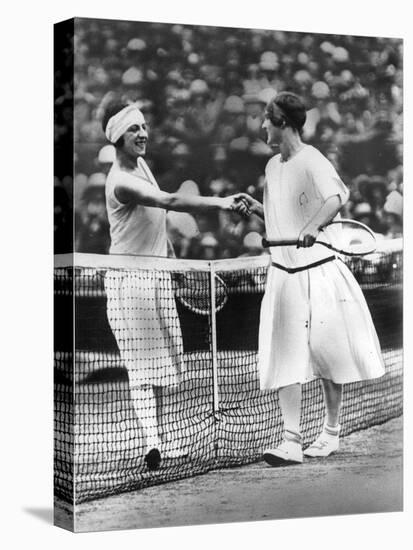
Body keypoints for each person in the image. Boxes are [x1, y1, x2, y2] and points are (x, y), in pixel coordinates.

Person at [101, 101, 249, 471]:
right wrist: (222, 202)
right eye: (135, 129)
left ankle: (161, 443)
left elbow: (157, 217)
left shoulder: (142, 164)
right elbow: (168, 199)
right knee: (140, 368)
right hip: (129, 282)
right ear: (118, 136)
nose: (143, 134)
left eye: (145, 127)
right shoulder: (120, 180)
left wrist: (172, 261)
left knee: (162, 367)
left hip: (157, 276)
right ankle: (152, 443)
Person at [243, 92, 385, 465]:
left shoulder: (313, 159)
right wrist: (257, 210)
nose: (262, 127)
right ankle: (291, 440)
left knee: (328, 354)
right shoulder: (273, 167)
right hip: (284, 276)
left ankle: (331, 433)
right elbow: (281, 220)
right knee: (284, 355)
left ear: (283, 124)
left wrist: (312, 226)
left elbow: (338, 195)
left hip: (319, 272)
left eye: (266, 120)